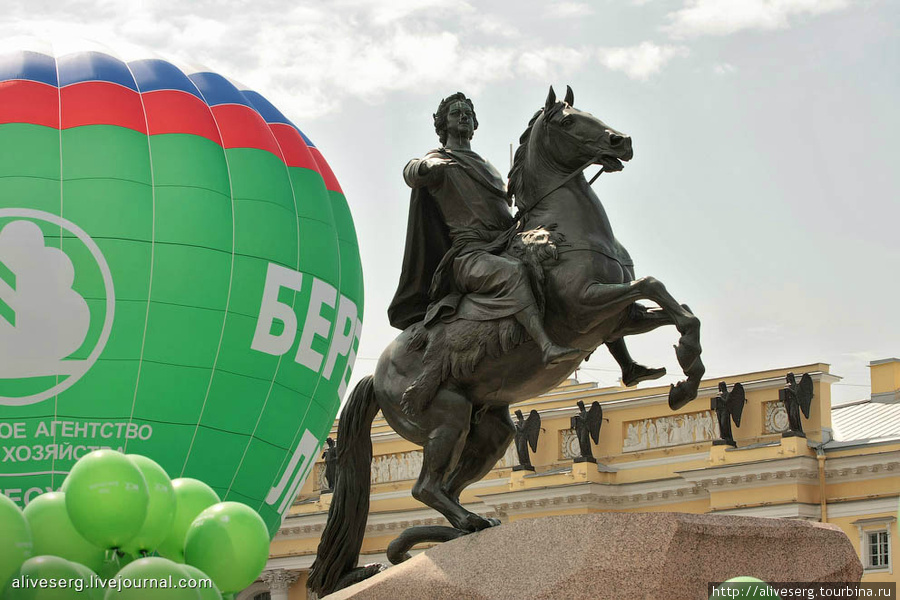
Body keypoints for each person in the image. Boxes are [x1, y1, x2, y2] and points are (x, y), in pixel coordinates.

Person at [388, 92, 578, 366]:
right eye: (456, 113)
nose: (464, 115)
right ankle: (546, 345)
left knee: (564, 257)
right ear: (443, 125)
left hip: (504, 243)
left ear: (475, 124)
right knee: (513, 273)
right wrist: (423, 166)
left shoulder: (488, 166)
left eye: (468, 112)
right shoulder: (439, 158)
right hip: (469, 256)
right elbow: (411, 171)